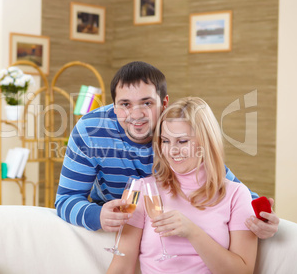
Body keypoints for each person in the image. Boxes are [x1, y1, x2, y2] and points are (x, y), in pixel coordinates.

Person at [55, 61, 279, 238]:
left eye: (147, 103)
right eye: (125, 104)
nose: (136, 115)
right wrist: (97, 216)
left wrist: (263, 216)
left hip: (169, 226)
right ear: (114, 106)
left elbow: (226, 182)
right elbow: (65, 199)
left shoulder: (176, 129)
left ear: (164, 103)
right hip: (119, 224)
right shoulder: (90, 130)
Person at [107, 97, 258, 274]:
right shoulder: (144, 190)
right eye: (165, 141)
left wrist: (192, 232)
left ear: (206, 142)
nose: (172, 151)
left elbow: (242, 271)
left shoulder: (237, 195)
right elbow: (121, 267)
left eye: (182, 141)